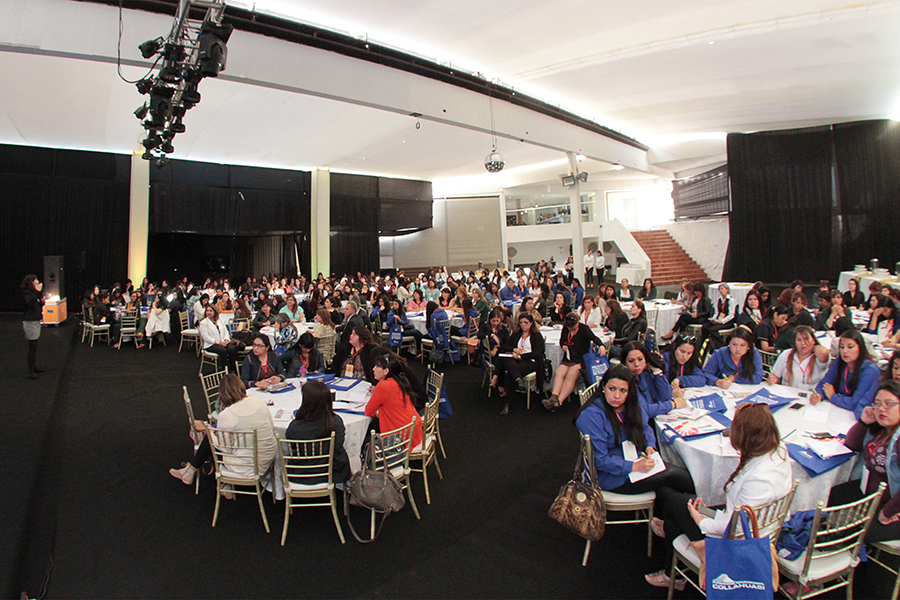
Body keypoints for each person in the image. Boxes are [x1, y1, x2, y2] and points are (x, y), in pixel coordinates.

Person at [644, 403, 792, 589]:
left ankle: (672, 573)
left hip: (738, 541)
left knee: (674, 502)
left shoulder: (758, 480)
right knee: (678, 509)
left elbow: (733, 527)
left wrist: (700, 521)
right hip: (760, 527)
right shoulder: (779, 451)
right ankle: (670, 569)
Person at [575, 365, 695, 561]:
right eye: (612, 389)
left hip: (632, 462)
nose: (617, 396)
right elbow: (600, 461)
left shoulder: (630, 404)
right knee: (676, 475)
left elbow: (644, 426)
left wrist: (649, 447)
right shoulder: (591, 416)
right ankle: (698, 522)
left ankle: (677, 527)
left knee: (671, 493)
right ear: (603, 386)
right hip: (611, 476)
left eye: (623, 390)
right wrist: (634, 467)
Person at [169, 374, 277, 493]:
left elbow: (225, 448)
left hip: (248, 466)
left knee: (210, 440)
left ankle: (218, 481)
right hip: (268, 456)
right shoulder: (258, 401)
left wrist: (209, 432)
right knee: (214, 434)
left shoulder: (227, 415)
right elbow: (271, 427)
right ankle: (192, 471)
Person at [827, 381, 900, 545]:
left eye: (889, 404)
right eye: (877, 404)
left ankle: (855, 564)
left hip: (892, 506)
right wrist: (864, 422)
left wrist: (887, 512)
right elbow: (851, 444)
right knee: (830, 497)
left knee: (845, 530)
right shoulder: (883, 429)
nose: (881, 409)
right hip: (871, 494)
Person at [284, 380, 351, 484]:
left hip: (301, 473)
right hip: (332, 472)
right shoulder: (336, 422)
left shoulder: (294, 427)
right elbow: (338, 446)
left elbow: (293, 447)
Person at [544, 312, 605, 411]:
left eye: (573, 327)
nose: (571, 329)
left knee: (571, 375)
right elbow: (562, 340)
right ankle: (553, 397)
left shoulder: (584, 329)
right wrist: (563, 345)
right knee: (559, 372)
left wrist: (601, 346)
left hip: (581, 359)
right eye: (569, 328)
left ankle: (558, 402)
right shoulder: (565, 328)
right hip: (569, 357)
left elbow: (594, 338)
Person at [814, 329, 881, 418]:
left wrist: (832, 396)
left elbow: (856, 403)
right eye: (842, 347)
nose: (845, 351)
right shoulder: (839, 362)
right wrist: (819, 394)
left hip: (857, 417)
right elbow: (825, 383)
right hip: (838, 411)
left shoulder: (870, 371)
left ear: (860, 348)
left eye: (850, 347)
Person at [365, 353, 424, 449]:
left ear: (386, 371)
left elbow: (368, 411)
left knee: (366, 441)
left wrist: (379, 412)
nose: (373, 369)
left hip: (400, 438)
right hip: (413, 430)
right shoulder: (400, 382)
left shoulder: (383, 386)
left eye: (377, 366)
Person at [495, 312, 545, 415]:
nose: (523, 325)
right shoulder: (517, 334)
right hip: (516, 360)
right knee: (506, 360)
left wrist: (522, 356)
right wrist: (515, 349)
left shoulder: (536, 336)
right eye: (521, 323)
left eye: (526, 322)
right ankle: (517, 378)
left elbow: (537, 353)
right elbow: (506, 346)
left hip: (531, 361)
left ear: (531, 323)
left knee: (509, 373)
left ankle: (508, 403)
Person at [622, 341, 684, 418]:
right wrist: (673, 404)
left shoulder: (646, 374)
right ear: (624, 363)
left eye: (640, 359)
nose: (637, 364)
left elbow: (666, 396)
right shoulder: (623, 381)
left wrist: (657, 371)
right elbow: (644, 410)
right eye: (631, 361)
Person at [769, 325, 830, 393]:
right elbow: (775, 375)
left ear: (813, 340)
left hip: (811, 396)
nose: (803, 343)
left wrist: (813, 347)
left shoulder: (818, 356)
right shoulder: (786, 354)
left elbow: (824, 353)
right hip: (788, 393)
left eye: (806, 339)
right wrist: (772, 379)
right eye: (799, 340)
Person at [199, 304, 239, 372]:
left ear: (214, 312)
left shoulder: (219, 320)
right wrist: (218, 343)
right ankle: (225, 370)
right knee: (223, 351)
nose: (208, 312)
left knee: (231, 349)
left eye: (210, 311)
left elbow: (225, 331)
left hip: (222, 341)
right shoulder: (203, 323)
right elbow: (205, 337)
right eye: (207, 311)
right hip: (211, 344)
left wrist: (226, 339)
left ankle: (233, 369)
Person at [21, 274, 44, 380]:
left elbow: (37, 304)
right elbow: (30, 303)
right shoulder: (27, 293)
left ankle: (33, 367)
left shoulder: (34, 293)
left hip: (35, 320)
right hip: (30, 322)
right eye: (36, 280)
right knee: (32, 347)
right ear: (31, 282)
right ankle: (31, 371)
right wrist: (38, 292)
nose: (38, 282)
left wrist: (42, 302)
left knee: (35, 346)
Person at [699, 283, 736, 349]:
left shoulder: (731, 300)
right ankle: (704, 344)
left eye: (722, 289)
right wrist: (714, 319)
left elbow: (731, 314)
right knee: (705, 327)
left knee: (713, 330)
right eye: (719, 289)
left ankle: (721, 345)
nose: (721, 291)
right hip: (719, 320)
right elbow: (717, 312)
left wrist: (722, 321)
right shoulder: (719, 300)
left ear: (727, 290)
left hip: (727, 322)